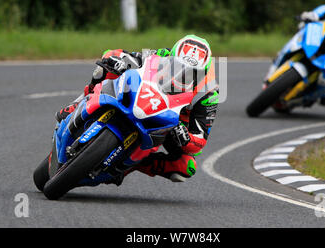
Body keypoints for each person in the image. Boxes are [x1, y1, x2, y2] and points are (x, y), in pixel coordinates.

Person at [55, 35, 219, 185]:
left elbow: (199, 142)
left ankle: (129, 166)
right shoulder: (163, 55)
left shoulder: (208, 94)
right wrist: (117, 60)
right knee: (106, 67)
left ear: (202, 74)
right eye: (178, 67)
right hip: (148, 98)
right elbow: (131, 57)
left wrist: (185, 138)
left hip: (173, 124)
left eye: (192, 74)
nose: (183, 76)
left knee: (186, 167)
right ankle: (78, 104)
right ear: (172, 57)